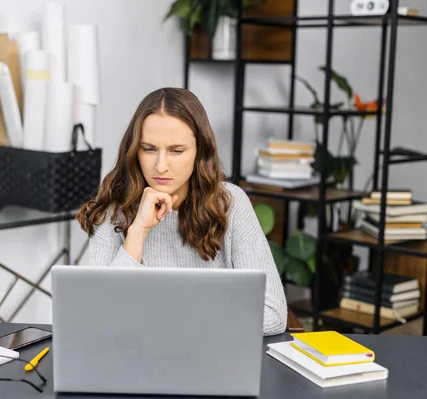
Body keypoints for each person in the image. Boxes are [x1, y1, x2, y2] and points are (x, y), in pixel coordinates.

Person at [76, 87, 287, 335]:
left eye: (176, 151)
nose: (161, 166)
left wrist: (171, 322)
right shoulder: (113, 208)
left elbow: (273, 315)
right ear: (134, 150)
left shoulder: (230, 204)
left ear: (200, 152)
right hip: (135, 359)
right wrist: (138, 232)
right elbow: (101, 314)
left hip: (211, 357)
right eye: (149, 149)